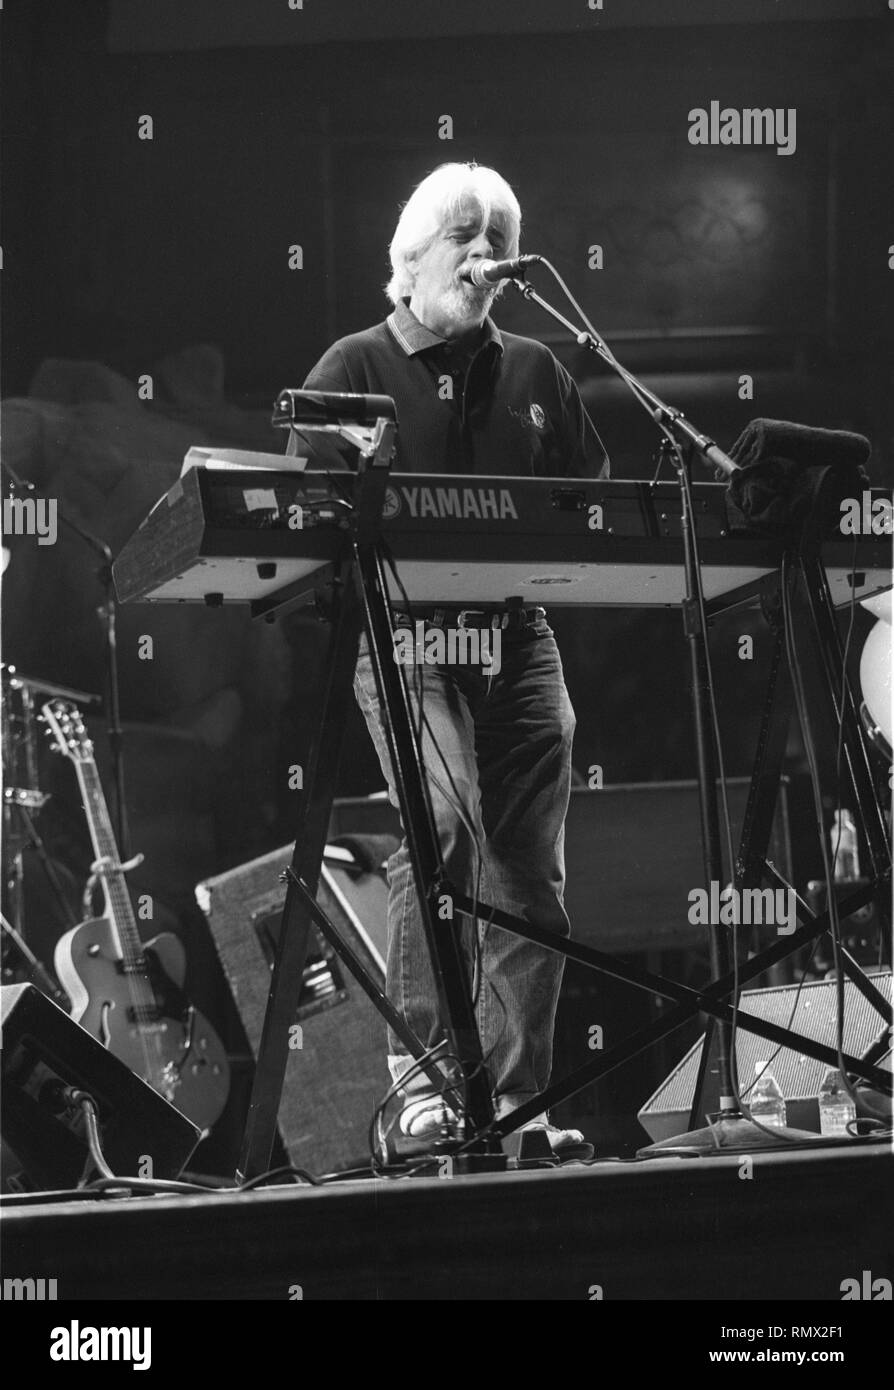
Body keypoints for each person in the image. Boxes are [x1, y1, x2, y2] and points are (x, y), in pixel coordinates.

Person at [298, 162, 609, 1160]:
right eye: (466, 234)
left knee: (532, 872)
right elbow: (305, 523)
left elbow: (590, 501)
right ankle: (426, 1087)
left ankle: (516, 1104)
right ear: (415, 251)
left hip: (518, 639)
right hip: (405, 638)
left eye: (501, 238)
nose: (488, 255)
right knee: (440, 826)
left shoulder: (538, 372)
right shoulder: (350, 364)